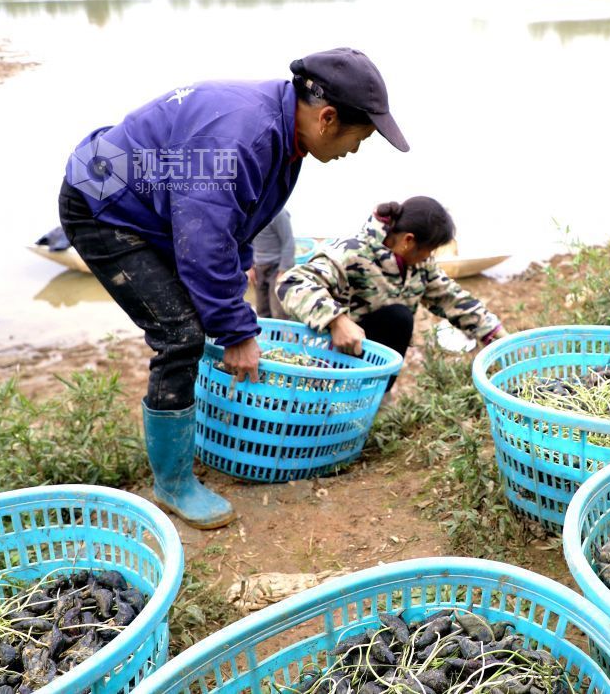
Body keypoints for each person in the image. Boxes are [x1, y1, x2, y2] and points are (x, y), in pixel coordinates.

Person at [58, 48, 408, 530]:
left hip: (154, 203)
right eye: (360, 137)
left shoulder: (285, 137)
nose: (355, 149)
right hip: (103, 202)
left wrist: (235, 283)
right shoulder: (245, 135)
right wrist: (238, 333)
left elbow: (236, 220)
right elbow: (202, 239)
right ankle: (172, 483)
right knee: (180, 333)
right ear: (327, 118)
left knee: (203, 311)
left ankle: (193, 433)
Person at [276, 197, 508, 389]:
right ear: (409, 240)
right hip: (333, 355)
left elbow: (452, 298)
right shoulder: (352, 253)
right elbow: (291, 283)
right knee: (398, 316)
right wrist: (336, 320)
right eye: (429, 250)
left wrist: (499, 338)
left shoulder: (420, 266)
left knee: (399, 318)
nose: (429, 257)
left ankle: (376, 393)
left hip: (374, 359)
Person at [248, 208, 296, 319]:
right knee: (262, 310)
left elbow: (288, 242)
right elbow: (248, 242)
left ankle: (283, 330)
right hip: (259, 268)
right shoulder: (252, 214)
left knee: (278, 311)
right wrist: (250, 266)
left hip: (276, 267)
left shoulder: (279, 213)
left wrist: (283, 270)